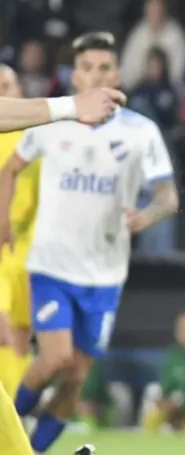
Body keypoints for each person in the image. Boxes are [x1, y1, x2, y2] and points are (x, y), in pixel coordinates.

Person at [0, 32, 179, 453]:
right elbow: (11, 167)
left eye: (104, 68)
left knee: (76, 377)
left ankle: (33, 449)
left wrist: (147, 215)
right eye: (87, 67)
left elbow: (169, 197)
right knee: (56, 358)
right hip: (51, 264)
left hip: (104, 273)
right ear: (75, 75)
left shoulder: (141, 132)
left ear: (117, 75)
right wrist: (4, 219)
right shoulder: (52, 123)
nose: (95, 75)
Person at [0, 66, 41, 397]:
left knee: (20, 337)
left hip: (24, 250)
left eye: (5, 85)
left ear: (19, 92)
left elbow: (45, 199)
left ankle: (16, 407)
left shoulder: (34, 142)